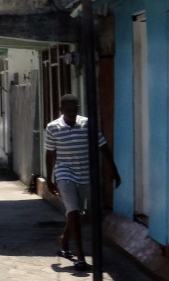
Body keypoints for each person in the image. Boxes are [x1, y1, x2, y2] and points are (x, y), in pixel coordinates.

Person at [45, 94, 120, 271]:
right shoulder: (53, 127)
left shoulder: (88, 124)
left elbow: (103, 146)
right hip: (65, 173)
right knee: (72, 211)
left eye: (74, 109)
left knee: (83, 215)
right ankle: (80, 257)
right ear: (61, 109)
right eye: (67, 110)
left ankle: (64, 238)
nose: (71, 113)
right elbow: (50, 153)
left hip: (87, 173)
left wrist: (114, 170)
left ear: (78, 109)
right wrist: (50, 178)